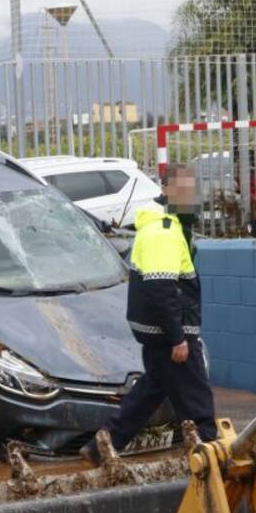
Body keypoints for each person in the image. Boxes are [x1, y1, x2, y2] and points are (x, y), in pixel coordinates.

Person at [81, 178, 217, 465]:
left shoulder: (166, 226)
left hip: (159, 331)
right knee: (198, 402)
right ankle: (210, 459)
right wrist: (178, 337)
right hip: (170, 334)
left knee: (149, 392)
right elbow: (160, 287)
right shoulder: (163, 231)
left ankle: (101, 446)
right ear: (166, 191)